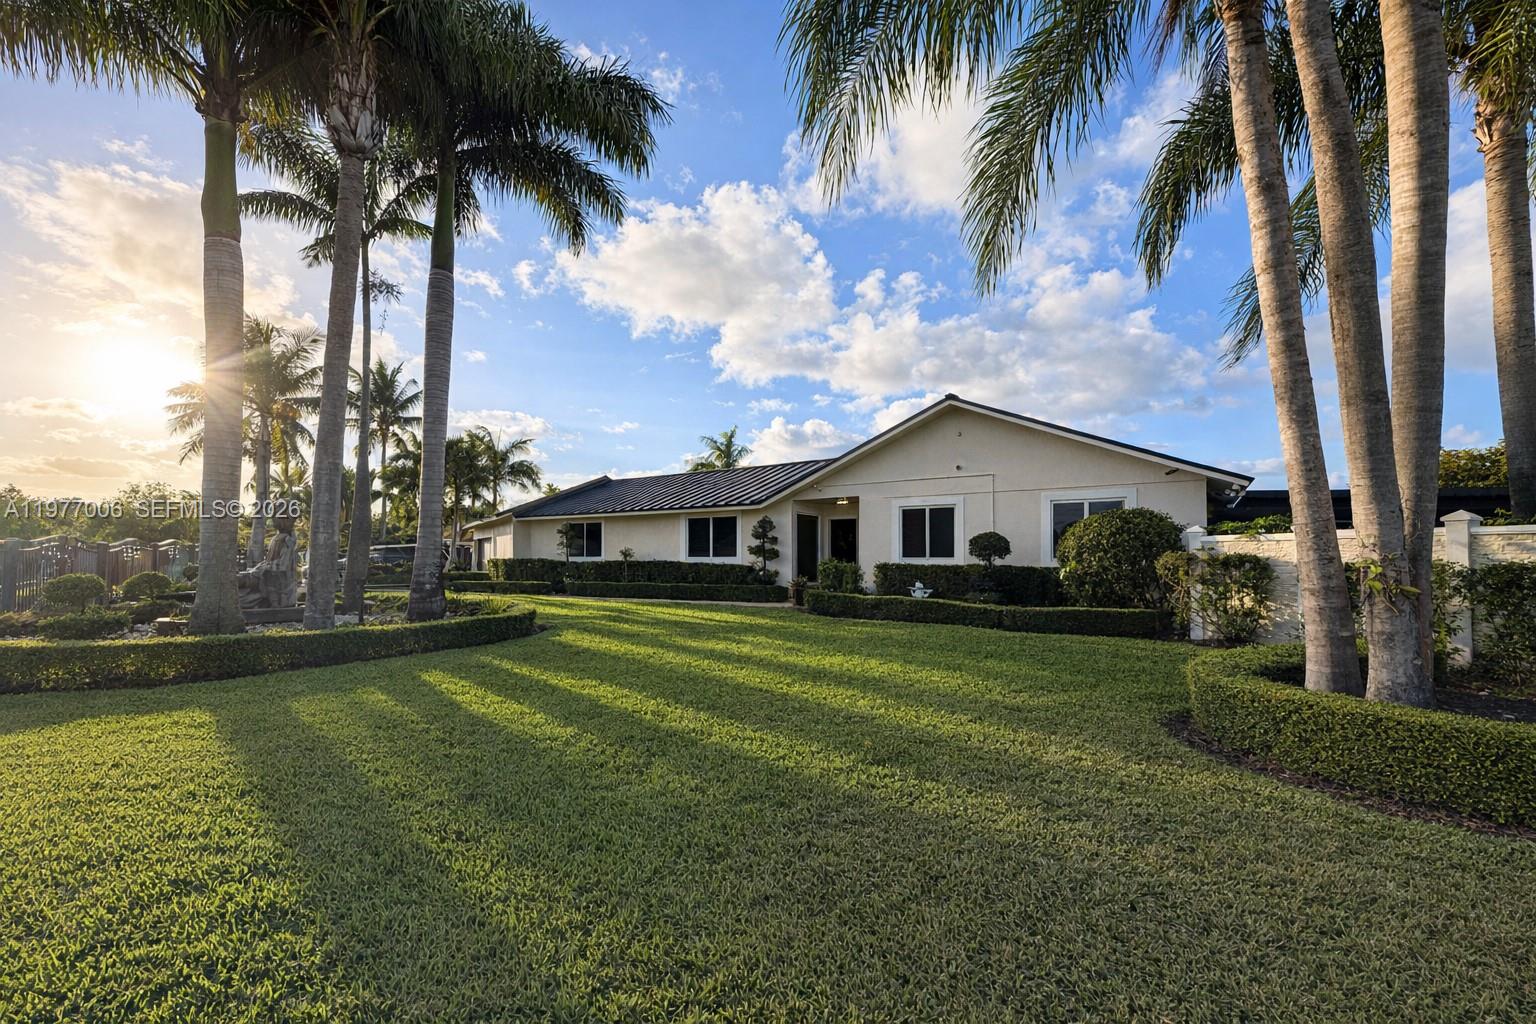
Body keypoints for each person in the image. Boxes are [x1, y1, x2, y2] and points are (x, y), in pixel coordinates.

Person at [238, 516, 299, 609]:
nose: (274, 520)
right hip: (263, 574)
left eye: (277, 518)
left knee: (241, 579)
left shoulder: (287, 540)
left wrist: (261, 569)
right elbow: (269, 561)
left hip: (273, 580)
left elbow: (282, 566)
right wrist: (259, 568)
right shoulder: (276, 538)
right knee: (239, 578)